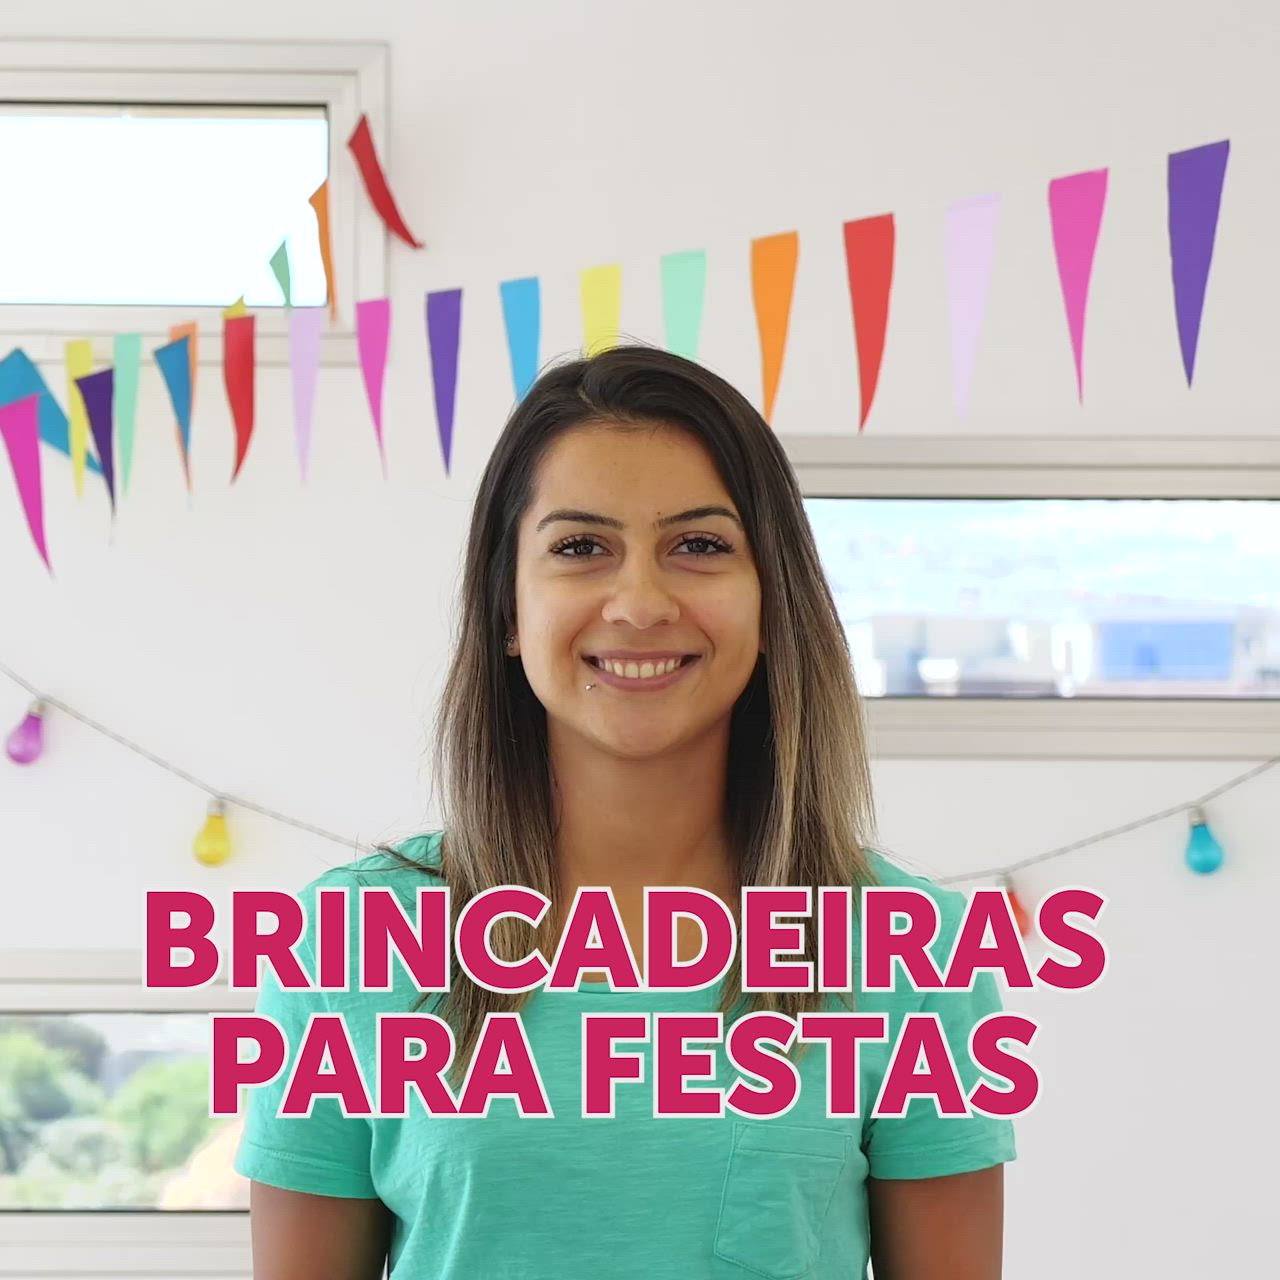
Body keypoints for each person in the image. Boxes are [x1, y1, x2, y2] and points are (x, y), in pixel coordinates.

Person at [234, 344, 1017, 1279]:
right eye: (579, 548)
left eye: (699, 545)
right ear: (510, 610)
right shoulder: (346, 938)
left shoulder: (909, 946)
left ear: (772, 602)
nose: (640, 602)